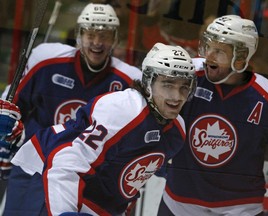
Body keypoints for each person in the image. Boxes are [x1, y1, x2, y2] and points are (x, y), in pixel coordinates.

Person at [7, 42, 196, 215]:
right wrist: (65, 213)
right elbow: (65, 163)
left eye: (184, 87)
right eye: (168, 85)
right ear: (148, 83)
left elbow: (128, 183)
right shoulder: (123, 110)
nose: (177, 96)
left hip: (95, 198)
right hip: (49, 176)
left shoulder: (176, 130)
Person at [0, 2, 142, 214]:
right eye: (90, 34)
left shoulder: (129, 81)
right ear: (78, 35)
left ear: (115, 39)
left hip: (84, 176)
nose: (96, 42)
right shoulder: (46, 59)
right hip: (35, 163)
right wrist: (8, 126)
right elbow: (11, 103)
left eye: (105, 35)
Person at [157, 15, 268, 216]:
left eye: (219, 51)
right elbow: (150, 112)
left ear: (242, 56)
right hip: (179, 203)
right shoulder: (186, 76)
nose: (209, 55)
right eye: (208, 46)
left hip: (240, 208)